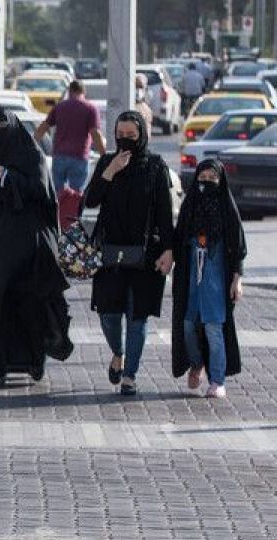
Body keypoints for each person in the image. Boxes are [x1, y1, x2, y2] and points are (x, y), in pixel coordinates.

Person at [0, 108, 74, 388]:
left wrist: (8, 176)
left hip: (30, 243)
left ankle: (34, 361)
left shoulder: (33, 156)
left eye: (0, 125)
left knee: (31, 302)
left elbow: (41, 192)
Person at [84, 110, 175, 396]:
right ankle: (118, 353)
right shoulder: (106, 162)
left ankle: (130, 375)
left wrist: (170, 251)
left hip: (146, 253)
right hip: (110, 252)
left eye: (131, 137)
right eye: (120, 136)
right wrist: (110, 172)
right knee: (108, 315)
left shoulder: (156, 166)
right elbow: (90, 200)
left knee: (138, 318)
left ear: (142, 136)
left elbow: (164, 212)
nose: (125, 141)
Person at [171, 159, 247, 398]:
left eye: (212, 179)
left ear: (220, 181)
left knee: (215, 329)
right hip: (192, 279)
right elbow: (178, 238)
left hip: (216, 280)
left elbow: (238, 246)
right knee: (188, 326)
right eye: (202, 179)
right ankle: (196, 363)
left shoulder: (227, 208)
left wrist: (237, 279)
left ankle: (218, 380)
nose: (206, 183)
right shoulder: (190, 206)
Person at [34, 80, 106, 194]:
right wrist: (104, 155)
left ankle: (58, 211)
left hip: (59, 155)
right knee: (77, 193)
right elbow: (95, 133)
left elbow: (43, 127)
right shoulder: (90, 108)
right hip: (79, 156)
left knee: (57, 192)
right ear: (84, 92)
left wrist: (32, 144)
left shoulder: (60, 107)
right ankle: (74, 212)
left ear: (70, 91)